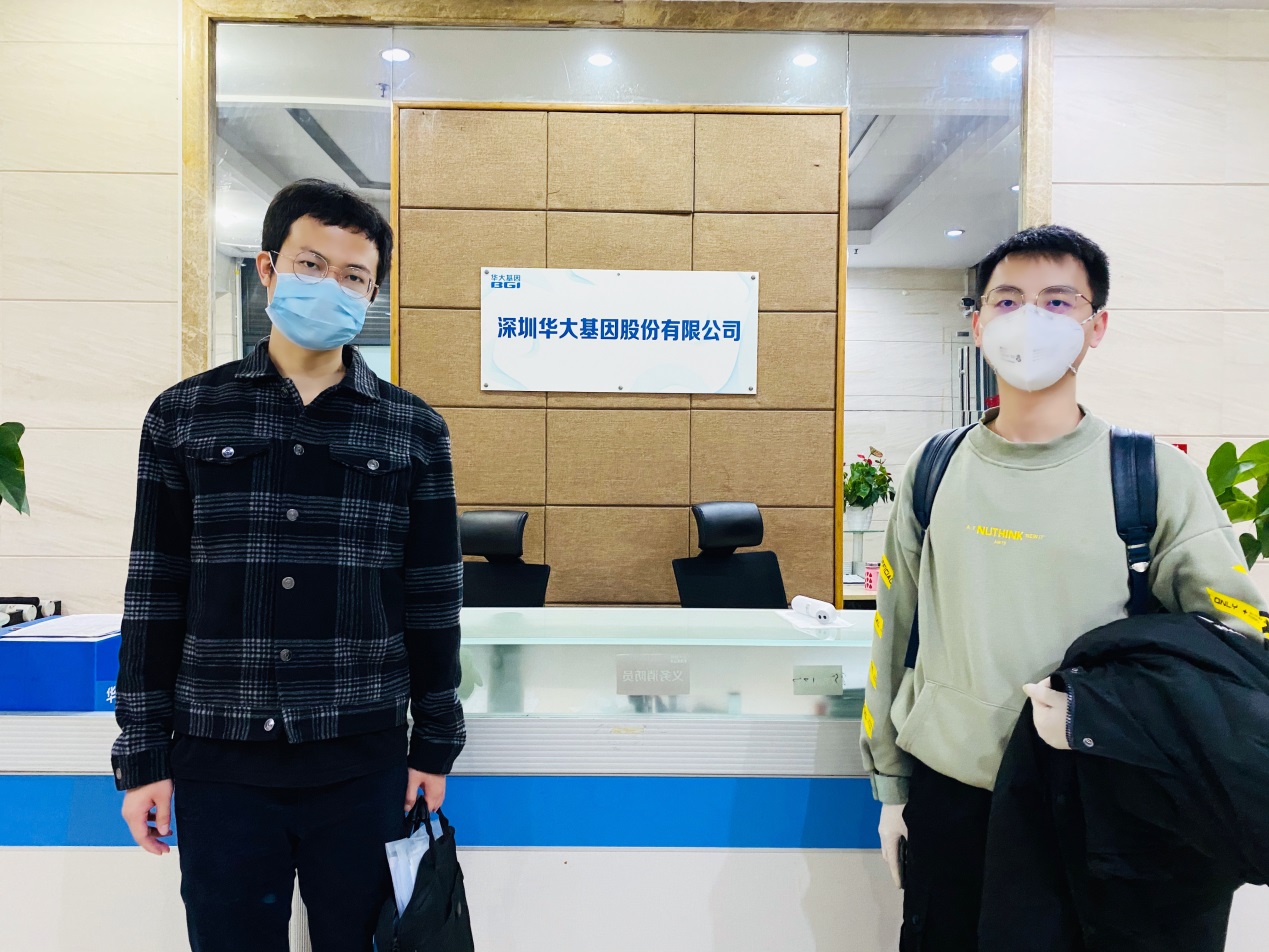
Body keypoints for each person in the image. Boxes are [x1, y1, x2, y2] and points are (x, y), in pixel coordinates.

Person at [860, 224, 1268, 951]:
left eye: (1056, 301)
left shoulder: (1151, 476)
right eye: (1007, 299)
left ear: (1095, 326)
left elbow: (1238, 646)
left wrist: (1102, 713)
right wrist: (891, 787)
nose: (1029, 320)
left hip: (1097, 807)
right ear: (978, 323)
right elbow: (895, 630)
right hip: (954, 797)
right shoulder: (934, 469)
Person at [111, 178, 465, 952]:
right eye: (312, 264)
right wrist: (141, 754)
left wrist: (435, 744)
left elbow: (432, 598)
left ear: (372, 294)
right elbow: (156, 590)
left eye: (354, 275)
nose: (331, 285)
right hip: (220, 756)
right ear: (268, 268)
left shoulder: (412, 429)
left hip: (362, 755)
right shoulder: (183, 414)